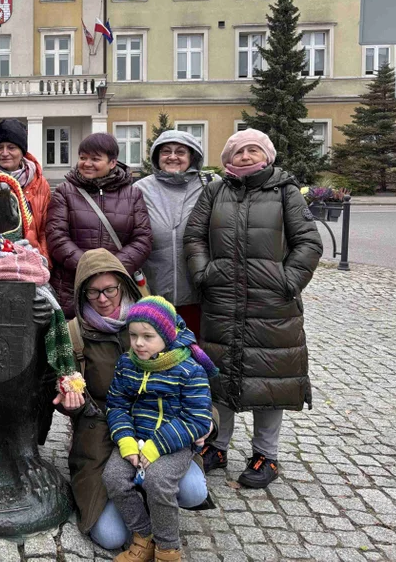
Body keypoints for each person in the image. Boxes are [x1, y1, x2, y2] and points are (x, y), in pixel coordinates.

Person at [184, 129, 321, 489]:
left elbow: (308, 241)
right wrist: (203, 272)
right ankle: (218, 445)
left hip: (272, 302)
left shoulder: (284, 190)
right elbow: (195, 236)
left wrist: (287, 281)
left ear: (267, 155)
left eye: (252, 150)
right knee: (220, 373)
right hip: (222, 299)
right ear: (228, 157)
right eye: (238, 151)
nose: (245, 156)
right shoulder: (215, 191)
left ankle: (266, 454)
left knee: (269, 378)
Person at [58, 250, 209, 552]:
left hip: (163, 431)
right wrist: (69, 404)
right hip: (106, 431)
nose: (102, 298)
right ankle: (142, 524)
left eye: (109, 289)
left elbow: (199, 394)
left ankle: (164, 535)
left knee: (192, 491)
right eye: (92, 291)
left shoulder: (157, 319)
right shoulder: (74, 334)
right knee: (112, 536)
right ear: (81, 293)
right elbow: (91, 396)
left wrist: (207, 426)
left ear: (123, 285)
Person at [102, 296, 217, 562]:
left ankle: (168, 549)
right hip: (135, 439)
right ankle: (144, 536)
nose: (138, 343)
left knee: (158, 481)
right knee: (114, 478)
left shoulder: (189, 369)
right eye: (133, 335)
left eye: (147, 336)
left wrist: (157, 445)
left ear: (167, 335)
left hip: (173, 443)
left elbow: (197, 418)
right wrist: (126, 440)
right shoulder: (127, 364)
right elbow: (117, 405)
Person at [46, 132, 153, 319]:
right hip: (73, 286)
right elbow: (56, 237)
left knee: (119, 337)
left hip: (117, 285)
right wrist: (90, 267)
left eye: (95, 159)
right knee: (77, 341)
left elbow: (143, 239)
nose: (87, 163)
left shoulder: (132, 194)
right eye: (82, 158)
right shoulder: (65, 191)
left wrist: (112, 269)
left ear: (112, 163)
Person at [134, 130, 208, 337]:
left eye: (180, 152)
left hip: (198, 292)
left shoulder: (210, 185)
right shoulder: (140, 188)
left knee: (194, 350)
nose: (173, 156)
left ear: (192, 157)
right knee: (158, 349)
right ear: (157, 157)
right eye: (166, 151)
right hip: (153, 289)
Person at [0, 118, 51, 260]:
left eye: (11, 147)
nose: (4, 153)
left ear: (22, 151)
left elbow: (45, 230)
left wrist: (44, 259)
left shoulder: (40, 183)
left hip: (31, 258)